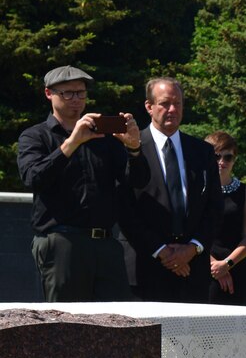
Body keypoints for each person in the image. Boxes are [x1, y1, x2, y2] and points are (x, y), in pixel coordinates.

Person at [17, 65, 149, 301]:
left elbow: (138, 181)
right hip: (61, 242)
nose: (76, 100)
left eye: (81, 93)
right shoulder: (35, 136)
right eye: (67, 93)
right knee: (67, 324)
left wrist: (134, 148)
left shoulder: (103, 138)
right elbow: (33, 178)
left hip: (106, 243)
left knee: (118, 322)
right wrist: (71, 143)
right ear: (49, 94)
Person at [120, 77, 222, 303]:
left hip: (192, 272)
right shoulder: (130, 148)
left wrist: (192, 249)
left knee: (193, 338)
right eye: (165, 104)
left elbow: (214, 208)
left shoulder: (202, 152)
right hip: (145, 268)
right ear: (149, 106)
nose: (172, 109)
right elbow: (125, 209)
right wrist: (162, 251)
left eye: (178, 103)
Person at [204, 131, 246, 306]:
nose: (221, 162)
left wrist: (226, 264)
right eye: (216, 156)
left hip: (237, 269)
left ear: (234, 160)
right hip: (202, 268)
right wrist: (214, 266)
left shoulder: (244, 191)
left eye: (228, 157)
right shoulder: (195, 189)